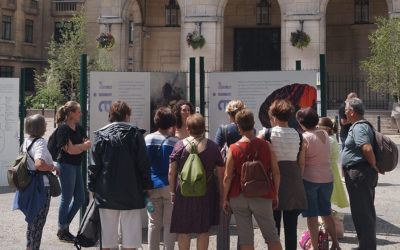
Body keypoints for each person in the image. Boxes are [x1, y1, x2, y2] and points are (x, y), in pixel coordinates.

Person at [89, 101, 153, 250]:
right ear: (126, 116)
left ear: (111, 116)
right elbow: (143, 164)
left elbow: (93, 165)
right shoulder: (136, 134)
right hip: (132, 191)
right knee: (131, 239)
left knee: (107, 238)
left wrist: (92, 187)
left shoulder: (100, 136)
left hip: (105, 192)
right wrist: (146, 186)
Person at [223, 109, 282, 250]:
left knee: (245, 238)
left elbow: (227, 176)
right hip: (263, 194)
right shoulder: (266, 145)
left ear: (238, 127)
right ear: (253, 124)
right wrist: (275, 194)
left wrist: (225, 198)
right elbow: (276, 172)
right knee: (271, 235)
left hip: (239, 195)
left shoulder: (233, 148)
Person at [169, 113, 224, 250]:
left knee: (184, 230)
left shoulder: (179, 146)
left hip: (183, 192)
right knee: (203, 230)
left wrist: (172, 192)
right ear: (204, 129)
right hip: (206, 192)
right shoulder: (212, 147)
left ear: (188, 129)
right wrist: (222, 196)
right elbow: (222, 174)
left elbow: (171, 171)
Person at [258, 99, 307, 250]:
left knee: (273, 228)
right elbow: (301, 164)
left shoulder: (265, 134)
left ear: (273, 116)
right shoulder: (299, 137)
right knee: (291, 227)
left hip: (272, 182)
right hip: (293, 184)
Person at [13, 114, 60, 250]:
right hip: (41, 187)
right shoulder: (40, 143)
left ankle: (29, 246)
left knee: (32, 221)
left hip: (28, 185)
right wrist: (52, 167)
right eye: (44, 123)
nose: (46, 126)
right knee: (38, 223)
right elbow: (39, 164)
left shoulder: (26, 142)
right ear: (39, 127)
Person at [296, 108, 340, 250]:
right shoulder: (325, 134)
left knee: (312, 216)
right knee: (327, 212)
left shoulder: (305, 137)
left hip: (310, 179)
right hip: (327, 178)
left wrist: (299, 180)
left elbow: (302, 163)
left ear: (302, 123)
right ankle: (336, 244)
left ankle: (315, 247)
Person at [341, 98, 379, 249]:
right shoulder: (357, 126)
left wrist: (373, 165)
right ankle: (365, 245)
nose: (344, 112)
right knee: (361, 212)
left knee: (363, 213)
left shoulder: (359, 127)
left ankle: (367, 247)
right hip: (359, 173)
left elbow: (367, 148)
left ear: (352, 111)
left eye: (346, 109)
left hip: (360, 173)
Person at [55, 101, 91, 242]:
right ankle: (63, 230)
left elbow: (87, 145)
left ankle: (63, 227)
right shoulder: (63, 129)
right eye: (78, 112)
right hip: (65, 165)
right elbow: (69, 150)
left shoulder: (79, 128)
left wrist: (78, 147)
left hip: (76, 165)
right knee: (67, 198)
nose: (81, 114)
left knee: (81, 198)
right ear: (71, 113)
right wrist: (81, 146)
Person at [145, 107, 179, 250]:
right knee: (169, 223)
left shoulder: (147, 139)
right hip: (169, 187)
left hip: (151, 186)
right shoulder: (176, 142)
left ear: (156, 121)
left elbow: (143, 164)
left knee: (153, 223)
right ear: (171, 122)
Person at [214, 100, 246, 250]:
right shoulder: (247, 129)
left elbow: (216, 153)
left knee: (223, 221)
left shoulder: (223, 130)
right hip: (245, 179)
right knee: (243, 220)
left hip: (227, 178)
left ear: (229, 114)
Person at [318, 117, 349, 209]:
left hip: (328, 168)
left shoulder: (329, 140)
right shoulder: (331, 138)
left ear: (326, 129)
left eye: (319, 127)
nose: (317, 129)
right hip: (331, 168)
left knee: (327, 195)